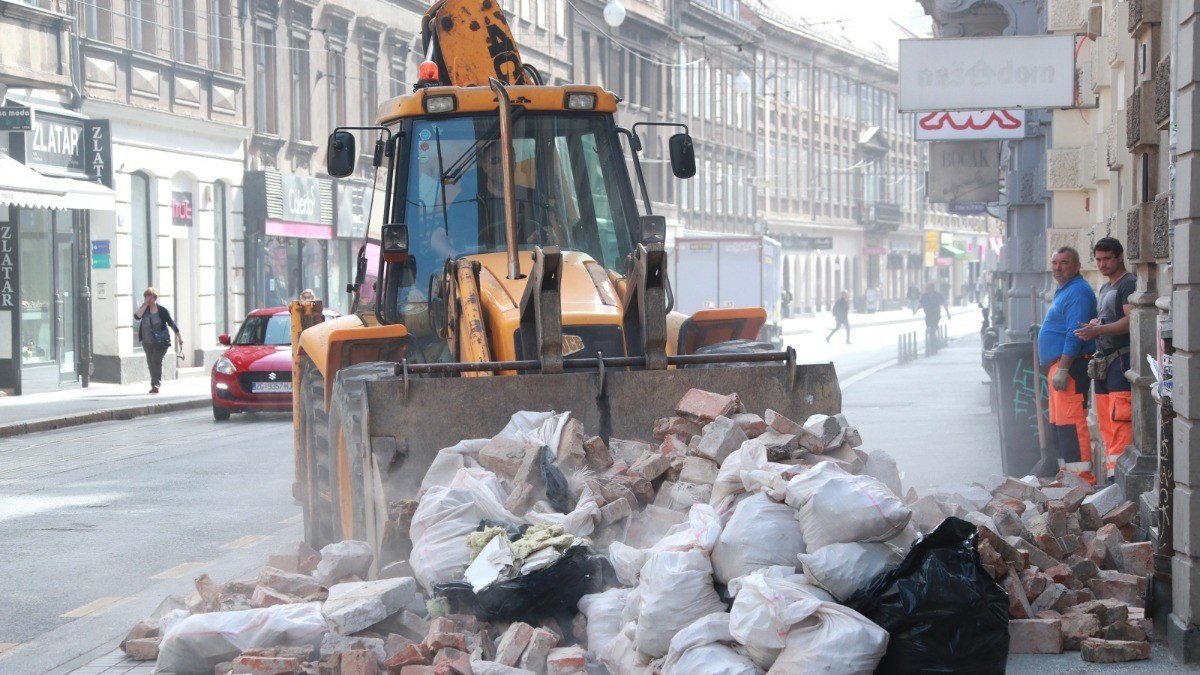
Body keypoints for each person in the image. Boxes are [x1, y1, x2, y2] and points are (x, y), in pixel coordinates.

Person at [1074, 237, 1135, 480]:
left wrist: (1099, 330)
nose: (1102, 264)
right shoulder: (1105, 287)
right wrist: (1096, 324)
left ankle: (1119, 478)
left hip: (1121, 360)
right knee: (1106, 423)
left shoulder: (1128, 284)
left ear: (1120, 257)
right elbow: (1109, 318)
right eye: (1098, 259)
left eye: (1107, 258)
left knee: (1119, 420)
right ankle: (1111, 476)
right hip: (1104, 364)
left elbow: (1132, 321)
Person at [1038, 246, 1097, 473]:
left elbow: (1076, 332)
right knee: (1061, 424)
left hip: (1070, 366)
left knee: (1071, 423)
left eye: (1064, 263)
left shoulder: (1078, 291)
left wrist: (1063, 368)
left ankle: (1081, 479)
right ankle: (1067, 477)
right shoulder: (1064, 290)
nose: (1058, 267)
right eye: (1055, 263)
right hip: (1060, 366)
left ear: (1077, 266)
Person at [134, 287, 182, 394]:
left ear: (154, 297)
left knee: (156, 360)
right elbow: (137, 316)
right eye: (145, 297)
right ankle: (154, 384)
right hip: (147, 342)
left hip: (161, 342)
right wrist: (145, 305)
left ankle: (156, 384)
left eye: (148, 297)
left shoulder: (162, 310)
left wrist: (179, 336)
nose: (146, 299)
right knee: (151, 363)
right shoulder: (144, 309)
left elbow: (171, 323)